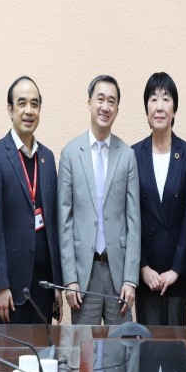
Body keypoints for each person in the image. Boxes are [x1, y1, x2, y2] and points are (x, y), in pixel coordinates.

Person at [58, 75, 141, 325]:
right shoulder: (70, 154)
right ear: (89, 103)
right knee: (84, 345)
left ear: (117, 109)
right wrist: (70, 278)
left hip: (119, 275)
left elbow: (133, 220)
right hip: (85, 275)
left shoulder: (127, 155)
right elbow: (64, 220)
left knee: (122, 345)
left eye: (111, 101)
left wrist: (131, 279)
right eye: (100, 99)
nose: (105, 107)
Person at [0, 76, 62, 324]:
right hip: (12, 289)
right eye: (22, 103)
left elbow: (53, 226)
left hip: (44, 286)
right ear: (10, 109)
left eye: (34, 104)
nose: (29, 111)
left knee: (44, 349)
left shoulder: (47, 158)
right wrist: (0, 285)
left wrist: (57, 284)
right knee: (11, 350)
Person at [131, 72, 186, 326]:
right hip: (146, 275)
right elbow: (131, 216)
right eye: (153, 99)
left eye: (166, 99)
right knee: (147, 342)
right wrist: (143, 267)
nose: (159, 106)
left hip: (176, 274)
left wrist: (176, 269)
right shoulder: (134, 154)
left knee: (176, 343)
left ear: (174, 109)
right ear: (146, 109)